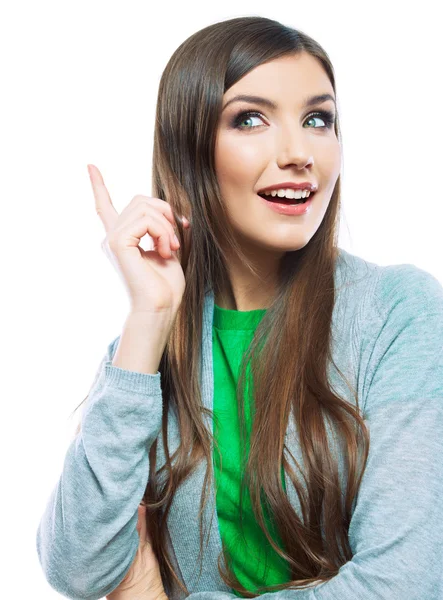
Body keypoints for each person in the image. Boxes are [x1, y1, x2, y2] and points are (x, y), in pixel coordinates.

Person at [36, 15, 443, 600]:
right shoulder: (151, 351)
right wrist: (146, 320)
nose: (299, 152)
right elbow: (77, 567)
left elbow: (405, 585)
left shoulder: (400, 313)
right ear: (190, 151)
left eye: (318, 119)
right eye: (251, 119)